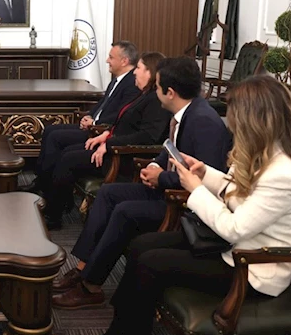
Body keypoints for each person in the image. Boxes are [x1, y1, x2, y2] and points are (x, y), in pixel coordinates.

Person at [85, 75, 291, 335]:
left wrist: (196, 189)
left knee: (151, 262)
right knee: (141, 245)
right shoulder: (267, 153)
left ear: (254, 120)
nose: (231, 124)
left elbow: (234, 227)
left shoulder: (282, 173)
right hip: (234, 248)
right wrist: (205, 174)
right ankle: (120, 332)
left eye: (236, 116)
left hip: (253, 268)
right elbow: (239, 192)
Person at [52, 56, 232, 309]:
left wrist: (162, 177)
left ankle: (90, 285)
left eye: (157, 87)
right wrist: (155, 166)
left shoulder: (204, 122)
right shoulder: (186, 112)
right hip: (166, 188)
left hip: (183, 203)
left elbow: (204, 179)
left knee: (125, 211)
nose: (154, 92)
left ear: (170, 92)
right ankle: (83, 268)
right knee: (108, 194)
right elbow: (169, 150)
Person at [41, 52, 171, 227]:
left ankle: (54, 215)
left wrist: (109, 144)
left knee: (69, 158)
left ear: (150, 72)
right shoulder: (144, 95)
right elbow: (124, 123)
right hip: (113, 147)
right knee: (68, 152)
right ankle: (58, 205)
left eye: (139, 68)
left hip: (124, 158)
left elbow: (147, 136)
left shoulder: (155, 100)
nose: (134, 72)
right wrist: (106, 134)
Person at [21, 41, 141, 195]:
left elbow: (121, 114)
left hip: (100, 131)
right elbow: (103, 104)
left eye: (111, 57)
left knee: (56, 138)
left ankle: (47, 186)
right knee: (50, 130)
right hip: (93, 125)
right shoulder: (118, 79)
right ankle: (42, 180)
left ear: (124, 61)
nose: (107, 60)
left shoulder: (132, 83)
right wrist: (89, 115)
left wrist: (95, 122)